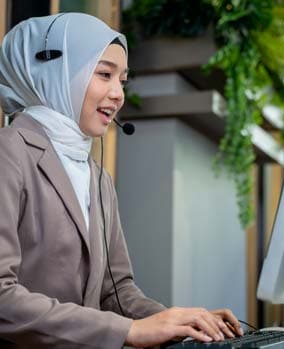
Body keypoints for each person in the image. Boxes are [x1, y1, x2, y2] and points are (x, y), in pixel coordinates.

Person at [0, 13, 243, 349]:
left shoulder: (98, 177)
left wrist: (176, 322)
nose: (118, 94)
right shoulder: (8, 151)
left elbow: (116, 290)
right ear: (56, 72)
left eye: (122, 81)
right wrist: (129, 331)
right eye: (104, 75)